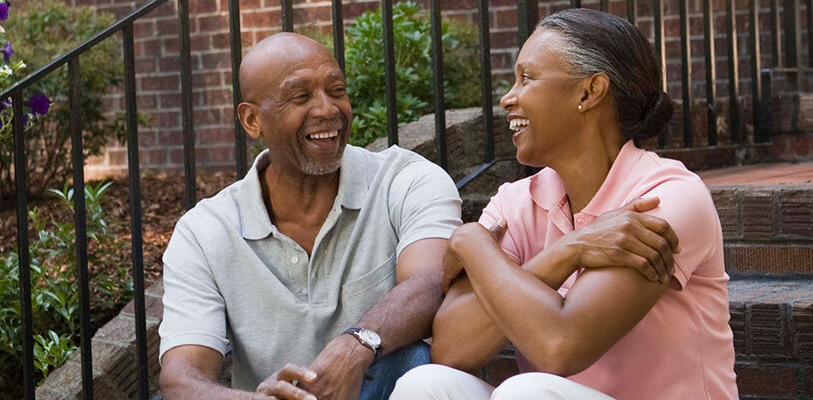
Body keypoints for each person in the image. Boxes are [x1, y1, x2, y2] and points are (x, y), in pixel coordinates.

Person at [391, 9, 738, 400]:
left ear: (589, 92)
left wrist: (473, 246)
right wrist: (563, 250)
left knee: (527, 393)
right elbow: (451, 349)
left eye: (527, 78)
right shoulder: (516, 202)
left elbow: (561, 345)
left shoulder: (666, 198)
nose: (508, 98)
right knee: (425, 384)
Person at [157, 32, 463, 400]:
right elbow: (181, 379)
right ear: (252, 120)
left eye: (336, 91)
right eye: (300, 96)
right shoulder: (204, 232)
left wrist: (357, 346)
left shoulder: (408, 180)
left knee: (415, 366)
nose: (327, 109)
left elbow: (432, 281)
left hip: (389, 389)